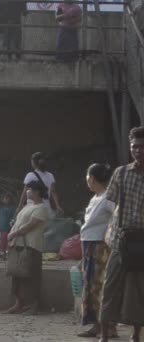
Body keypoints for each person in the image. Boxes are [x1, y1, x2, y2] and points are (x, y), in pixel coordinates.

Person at [99, 127, 144, 342]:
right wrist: (113, 225)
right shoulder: (121, 172)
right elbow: (108, 202)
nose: (138, 150)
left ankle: (136, 334)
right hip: (120, 240)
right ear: (130, 147)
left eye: (142, 147)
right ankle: (105, 334)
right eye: (135, 146)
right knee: (110, 286)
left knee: (137, 290)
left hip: (142, 242)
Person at [78, 163, 117, 338]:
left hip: (100, 246)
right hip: (88, 244)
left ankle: (108, 326)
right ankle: (95, 324)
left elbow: (117, 216)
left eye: (87, 177)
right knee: (89, 285)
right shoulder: (95, 197)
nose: (87, 181)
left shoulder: (108, 197)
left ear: (92, 178)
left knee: (100, 285)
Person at [6, 180, 49, 315]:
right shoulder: (27, 206)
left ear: (37, 192)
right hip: (18, 244)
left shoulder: (41, 208)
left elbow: (30, 225)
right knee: (17, 275)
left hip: (31, 245)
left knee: (31, 276)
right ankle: (19, 304)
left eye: (29, 189)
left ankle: (33, 305)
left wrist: (14, 233)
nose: (27, 191)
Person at [17, 152, 63, 217]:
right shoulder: (50, 175)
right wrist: (58, 206)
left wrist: (19, 206)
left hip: (32, 208)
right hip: (46, 207)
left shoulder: (30, 175)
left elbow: (24, 192)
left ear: (34, 163)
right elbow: (53, 192)